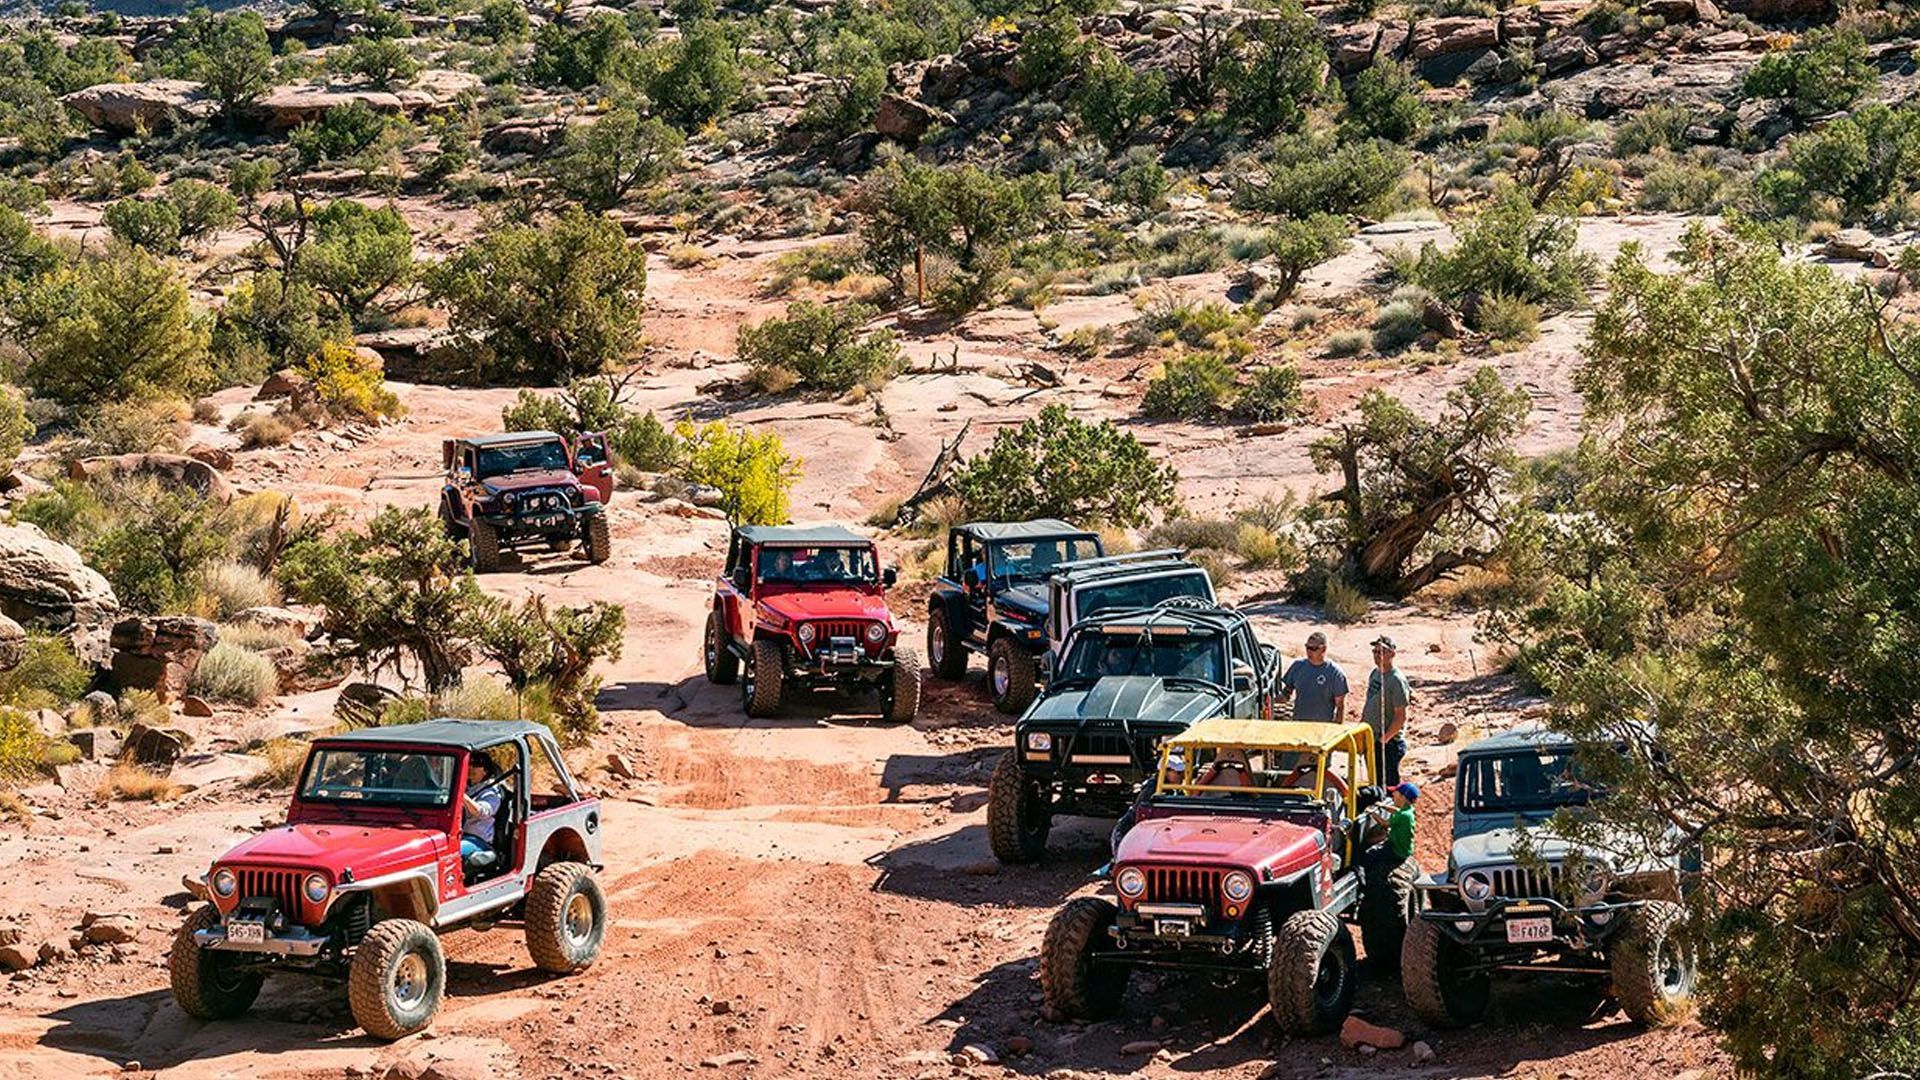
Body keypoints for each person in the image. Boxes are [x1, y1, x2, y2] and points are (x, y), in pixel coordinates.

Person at [1362, 636, 1414, 785]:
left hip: (1388, 743)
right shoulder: (1375, 673)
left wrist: (1384, 739)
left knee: (1388, 786)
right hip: (1372, 737)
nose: (1378, 656)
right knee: (1375, 783)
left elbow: (1401, 716)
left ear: (1392, 654)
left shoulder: (1396, 680)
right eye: (1375, 652)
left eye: (1382, 652)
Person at [1278, 631, 1349, 722]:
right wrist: (1278, 698)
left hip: (1323, 728)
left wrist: (1338, 727)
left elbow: (1340, 706)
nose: (1309, 651)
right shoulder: (1297, 667)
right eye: (1307, 647)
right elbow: (1287, 692)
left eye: (1313, 648)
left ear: (1323, 649)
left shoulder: (1335, 673)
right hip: (1299, 724)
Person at [1359, 782, 1419, 884]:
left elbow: (1384, 824)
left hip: (1396, 850)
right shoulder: (1408, 811)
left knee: (1368, 855)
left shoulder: (1403, 816)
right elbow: (1396, 811)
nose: (1392, 795)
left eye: (1395, 793)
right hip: (1403, 849)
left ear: (1402, 797)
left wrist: (1371, 813)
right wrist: (1383, 806)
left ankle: (1367, 881)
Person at [460, 755, 506, 865]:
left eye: (476, 765)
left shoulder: (492, 793)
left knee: (450, 852)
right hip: (456, 836)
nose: (470, 767)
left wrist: (461, 796)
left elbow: (481, 811)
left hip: (478, 840)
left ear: (485, 771)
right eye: (468, 764)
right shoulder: (467, 787)